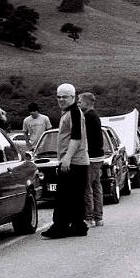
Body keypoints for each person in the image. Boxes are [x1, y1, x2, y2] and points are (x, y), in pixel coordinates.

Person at [42, 84, 90, 239]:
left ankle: (60, 227)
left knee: (63, 196)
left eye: (64, 97)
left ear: (73, 97)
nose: (61, 99)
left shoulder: (75, 112)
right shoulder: (68, 113)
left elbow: (76, 137)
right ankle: (78, 226)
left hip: (73, 161)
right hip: (74, 161)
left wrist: (67, 159)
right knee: (75, 196)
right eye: (59, 96)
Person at [78, 92, 104, 228]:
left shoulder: (88, 117)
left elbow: (84, 138)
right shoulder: (94, 116)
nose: (78, 103)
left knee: (87, 187)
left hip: (91, 157)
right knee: (96, 186)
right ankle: (98, 217)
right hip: (98, 156)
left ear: (87, 103)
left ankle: (89, 218)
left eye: (79, 101)